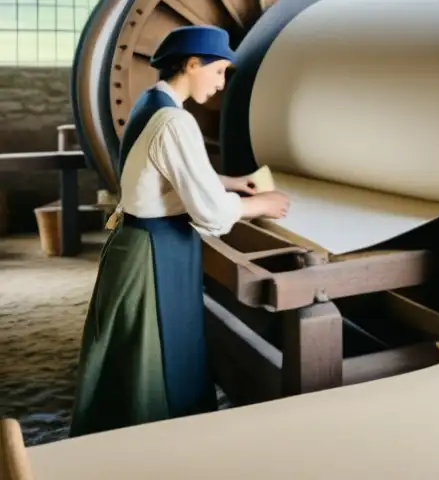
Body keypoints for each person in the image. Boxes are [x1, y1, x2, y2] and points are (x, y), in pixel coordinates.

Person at [69, 25, 291, 437]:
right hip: (155, 254)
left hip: (140, 242)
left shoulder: (151, 104)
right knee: (156, 359)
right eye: (220, 71)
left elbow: (166, 171)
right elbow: (209, 214)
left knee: (135, 354)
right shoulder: (174, 121)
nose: (222, 84)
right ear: (192, 64)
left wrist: (229, 181)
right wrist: (260, 204)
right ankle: (159, 446)